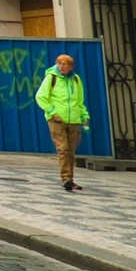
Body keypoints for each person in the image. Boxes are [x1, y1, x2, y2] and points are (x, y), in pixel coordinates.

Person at [36, 53, 91, 192]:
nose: (61, 66)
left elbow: (79, 100)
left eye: (64, 64)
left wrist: (84, 115)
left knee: (71, 151)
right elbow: (41, 97)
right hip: (57, 120)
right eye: (59, 63)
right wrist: (52, 112)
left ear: (70, 67)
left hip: (74, 120)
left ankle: (70, 179)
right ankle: (66, 178)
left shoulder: (76, 80)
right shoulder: (51, 78)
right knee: (63, 149)